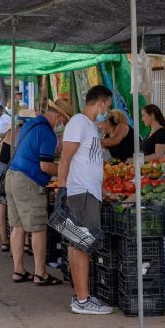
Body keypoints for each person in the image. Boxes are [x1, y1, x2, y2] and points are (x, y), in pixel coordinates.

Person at [58, 85, 114, 315]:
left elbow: (88, 162)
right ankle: (82, 300)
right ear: (100, 102)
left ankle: (80, 297)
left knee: (77, 243)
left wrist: (102, 189)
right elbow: (65, 157)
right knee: (82, 245)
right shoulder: (78, 123)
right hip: (81, 193)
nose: (107, 112)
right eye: (107, 106)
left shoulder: (88, 126)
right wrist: (62, 188)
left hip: (88, 192)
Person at [5, 99, 73, 286]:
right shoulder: (47, 133)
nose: (63, 126)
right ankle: (40, 273)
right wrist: (64, 170)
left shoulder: (29, 125)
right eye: (64, 122)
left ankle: (18, 270)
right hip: (28, 181)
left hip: (11, 177)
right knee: (38, 228)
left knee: (17, 226)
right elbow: (45, 166)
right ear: (59, 117)